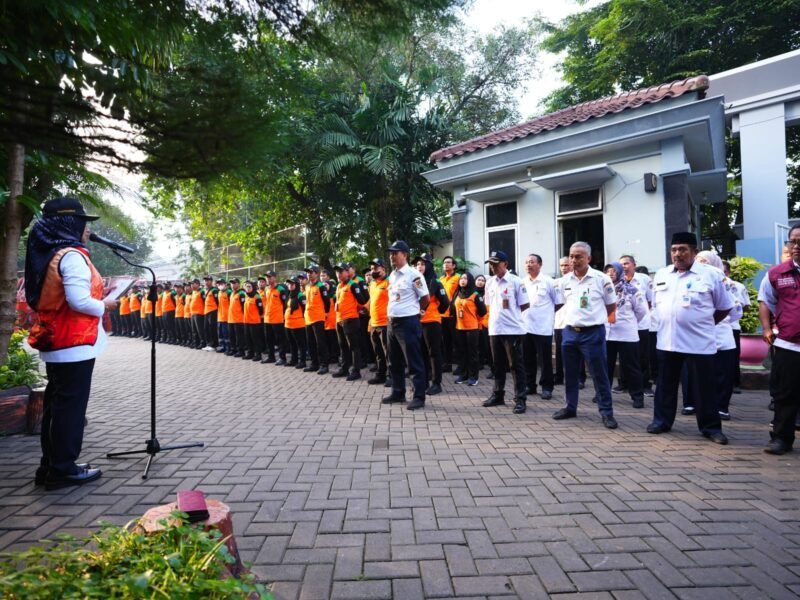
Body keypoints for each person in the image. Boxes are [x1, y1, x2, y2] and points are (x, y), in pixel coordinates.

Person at [25, 197, 117, 490]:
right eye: (82, 223)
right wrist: (106, 304)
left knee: (57, 404)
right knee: (70, 407)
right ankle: (63, 469)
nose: (86, 229)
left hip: (58, 341)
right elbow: (79, 301)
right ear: (68, 224)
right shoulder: (72, 256)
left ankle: (51, 465)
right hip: (73, 340)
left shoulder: (50, 254)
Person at [647, 232, 734, 444]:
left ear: (694, 251)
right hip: (667, 340)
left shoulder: (710, 274)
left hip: (699, 342)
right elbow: (655, 304)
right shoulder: (662, 274)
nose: (678, 254)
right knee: (665, 384)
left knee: (704, 387)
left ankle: (711, 428)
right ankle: (662, 421)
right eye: (674, 250)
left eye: (683, 249)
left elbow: (724, 307)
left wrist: (702, 323)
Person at [554, 242, 618, 428]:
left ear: (588, 258)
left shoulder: (601, 279)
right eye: (572, 256)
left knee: (599, 375)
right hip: (570, 333)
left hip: (593, 333)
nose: (574, 260)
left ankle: (607, 412)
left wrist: (594, 320)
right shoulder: (564, 281)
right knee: (571, 374)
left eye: (579, 256)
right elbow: (560, 304)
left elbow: (611, 306)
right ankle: (570, 407)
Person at [758, 224, 800, 455]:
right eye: (792, 241)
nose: (795, 246)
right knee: (785, 394)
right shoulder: (777, 273)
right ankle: (781, 439)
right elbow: (765, 301)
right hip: (788, 345)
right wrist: (766, 328)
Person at [695, 251, 742, 421]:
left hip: (722, 332)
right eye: (698, 261)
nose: (702, 265)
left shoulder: (725, 282)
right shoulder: (692, 281)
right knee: (703, 374)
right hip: (699, 334)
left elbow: (736, 311)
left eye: (705, 261)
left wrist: (717, 320)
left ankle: (722, 406)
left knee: (723, 373)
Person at [483, 250, 530, 414]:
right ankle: (498, 395)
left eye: (496, 263)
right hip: (495, 329)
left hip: (513, 329)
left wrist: (511, 315)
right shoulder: (490, 282)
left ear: (506, 264)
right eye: (491, 264)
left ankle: (520, 399)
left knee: (515, 365)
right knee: (497, 365)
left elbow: (525, 304)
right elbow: (489, 304)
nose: (493, 267)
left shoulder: (516, 281)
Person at [384, 241, 430, 410]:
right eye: (391, 253)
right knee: (393, 361)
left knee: (413, 362)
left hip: (408, 323)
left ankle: (419, 396)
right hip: (392, 322)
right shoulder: (393, 275)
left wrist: (417, 312)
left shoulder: (414, 275)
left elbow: (425, 298)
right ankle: (398, 392)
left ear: (405, 254)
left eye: (395, 253)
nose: (392, 256)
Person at [603, 262, 647, 409]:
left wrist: (630, 323)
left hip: (626, 334)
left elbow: (641, 311)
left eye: (614, 271)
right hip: (608, 334)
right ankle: (603, 394)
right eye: (608, 271)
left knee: (631, 367)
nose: (610, 273)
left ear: (620, 272)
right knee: (605, 367)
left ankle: (637, 396)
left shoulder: (631, 290)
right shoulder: (602, 289)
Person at [521, 253, 557, 400]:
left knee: (545, 360)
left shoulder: (548, 281)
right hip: (525, 326)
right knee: (527, 358)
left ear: (540, 265)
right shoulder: (522, 282)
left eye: (532, 262)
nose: (528, 265)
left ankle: (547, 387)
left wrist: (545, 314)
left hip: (543, 327)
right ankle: (530, 385)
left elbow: (559, 302)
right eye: (526, 262)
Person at [415, 254, 450, 395]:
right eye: (417, 264)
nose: (420, 267)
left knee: (434, 353)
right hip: (418, 322)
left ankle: (436, 383)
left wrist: (435, 313)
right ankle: (423, 381)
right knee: (421, 353)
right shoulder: (417, 281)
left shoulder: (435, 282)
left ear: (428, 265)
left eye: (423, 264)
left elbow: (445, 302)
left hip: (432, 322)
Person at [619, 255, 654, 394]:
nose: (624, 267)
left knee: (642, 356)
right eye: (621, 264)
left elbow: (650, 301)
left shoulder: (644, 279)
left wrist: (638, 317)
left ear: (634, 264)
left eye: (626, 263)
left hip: (641, 324)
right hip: (624, 326)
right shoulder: (618, 281)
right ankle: (624, 383)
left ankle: (645, 385)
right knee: (624, 356)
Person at [333, 262, 368, 380]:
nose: (338, 274)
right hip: (339, 320)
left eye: (341, 271)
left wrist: (357, 308)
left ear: (347, 272)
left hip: (350, 320)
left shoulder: (353, 285)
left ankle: (356, 371)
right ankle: (344, 369)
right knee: (342, 346)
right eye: (337, 272)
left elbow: (362, 301)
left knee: (353, 346)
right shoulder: (339, 286)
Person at [453, 271, 486, 386]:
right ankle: (464, 374)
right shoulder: (457, 293)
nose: (462, 280)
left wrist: (474, 319)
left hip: (472, 328)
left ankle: (473, 376)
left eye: (465, 278)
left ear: (470, 280)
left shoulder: (475, 294)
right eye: (461, 278)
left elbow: (483, 311)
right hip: (459, 327)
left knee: (472, 354)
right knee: (462, 353)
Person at [723, 260, 749, 394]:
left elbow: (746, 305)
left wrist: (735, 314)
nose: (723, 274)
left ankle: (735, 383)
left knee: (733, 356)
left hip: (733, 326)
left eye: (725, 271)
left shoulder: (738, 286)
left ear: (729, 272)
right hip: (717, 327)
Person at [302, 265, 330, 374]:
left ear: (316, 274)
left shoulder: (321, 286)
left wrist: (325, 313)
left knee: (320, 343)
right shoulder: (307, 286)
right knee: (311, 343)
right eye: (308, 272)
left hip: (318, 318)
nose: (309, 274)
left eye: (311, 272)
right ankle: (314, 364)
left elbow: (327, 301)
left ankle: (324, 365)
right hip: (308, 318)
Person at [367, 258, 390, 385]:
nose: (373, 270)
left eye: (375, 268)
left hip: (385, 323)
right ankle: (380, 375)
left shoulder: (389, 283)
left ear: (383, 269)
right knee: (378, 353)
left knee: (389, 353)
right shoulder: (371, 284)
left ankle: (391, 376)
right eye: (371, 269)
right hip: (374, 323)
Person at [439, 256, 460, 373]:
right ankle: (447, 364)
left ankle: (460, 365)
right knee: (445, 341)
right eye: (444, 262)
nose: (446, 264)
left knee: (457, 341)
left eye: (448, 262)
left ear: (453, 266)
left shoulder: (458, 278)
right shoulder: (441, 279)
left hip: (453, 314)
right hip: (442, 315)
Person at [264, 271, 289, 365]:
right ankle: (271, 357)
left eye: (270, 277)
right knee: (269, 339)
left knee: (280, 340)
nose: (268, 279)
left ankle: (282, 358)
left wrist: (283, 316)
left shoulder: (281, 289)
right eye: (267, 277)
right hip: (267, 318)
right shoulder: (266, 289)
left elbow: (285, 304)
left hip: (278, 319)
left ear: (275, 278)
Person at [285, 276, 308, 368]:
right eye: (289, 284)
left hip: (298, 324)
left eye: (292, 284)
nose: (290, 285)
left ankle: (302, 362)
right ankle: (293, 360)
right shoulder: (290, 295)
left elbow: (304, 308)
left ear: (296, 285)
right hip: (288, 324)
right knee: (292, 344)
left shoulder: (300, 295)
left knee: (301, 344)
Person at [475, 274, 492, 376]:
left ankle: (486, 363)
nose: (480, 282)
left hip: (485, 324)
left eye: (483, 280)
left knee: (485, 345)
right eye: (479, 280)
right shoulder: (471, 292)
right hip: (475, 323)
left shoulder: (487, 294)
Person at [242, 280, 264, 361]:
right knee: (248, 338)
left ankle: (258, 355)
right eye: (246, 286)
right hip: (246, 321)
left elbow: (261, 309)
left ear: (253, 287)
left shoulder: (256, 296)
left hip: (254, 322)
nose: (247, 288)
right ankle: (250, 353)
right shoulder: (245, 295)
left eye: (249, 286)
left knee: (256, 339)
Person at [227, 278, 246, 357]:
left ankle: (240, 351)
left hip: (238, 319)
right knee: (232, 336)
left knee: (239, 337)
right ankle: (233, 349)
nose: (232, 285)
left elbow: (243, 307)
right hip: (231, 319)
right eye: (231, 283)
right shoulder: (232, 293)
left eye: (234, 283)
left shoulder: (241, 293)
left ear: (238, 284)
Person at [202, 276, 220, 351]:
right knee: (206, 328)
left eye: (208, 280)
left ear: (211, 281)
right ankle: (209, 344)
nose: (206, 282)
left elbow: (217, 301)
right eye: (205, 281)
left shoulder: (214, 290)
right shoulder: (206, 290)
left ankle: (214, 345)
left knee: (212, 328)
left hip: (213, 311)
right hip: (206, 311)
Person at [189, 278, 206, 349]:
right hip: (193, 313)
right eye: (191, 284)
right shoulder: (193, 292)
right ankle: (196, 343)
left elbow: (205, 302)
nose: (191, 285)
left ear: (198, 284)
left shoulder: (202, 292)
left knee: (200, 330)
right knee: (194, 330)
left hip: (199, 314)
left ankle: (202, 343)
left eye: (193, 283)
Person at [215, 278, 231, 354]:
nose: (220, 285)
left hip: (227, 317)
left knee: (226, 334)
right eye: (218, 284)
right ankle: (223, 347)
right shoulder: (219, 293)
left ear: (225, 284)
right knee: (221, 334)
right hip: (220, 317)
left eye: (221, 284)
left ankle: (229, 348)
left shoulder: (229, 292)